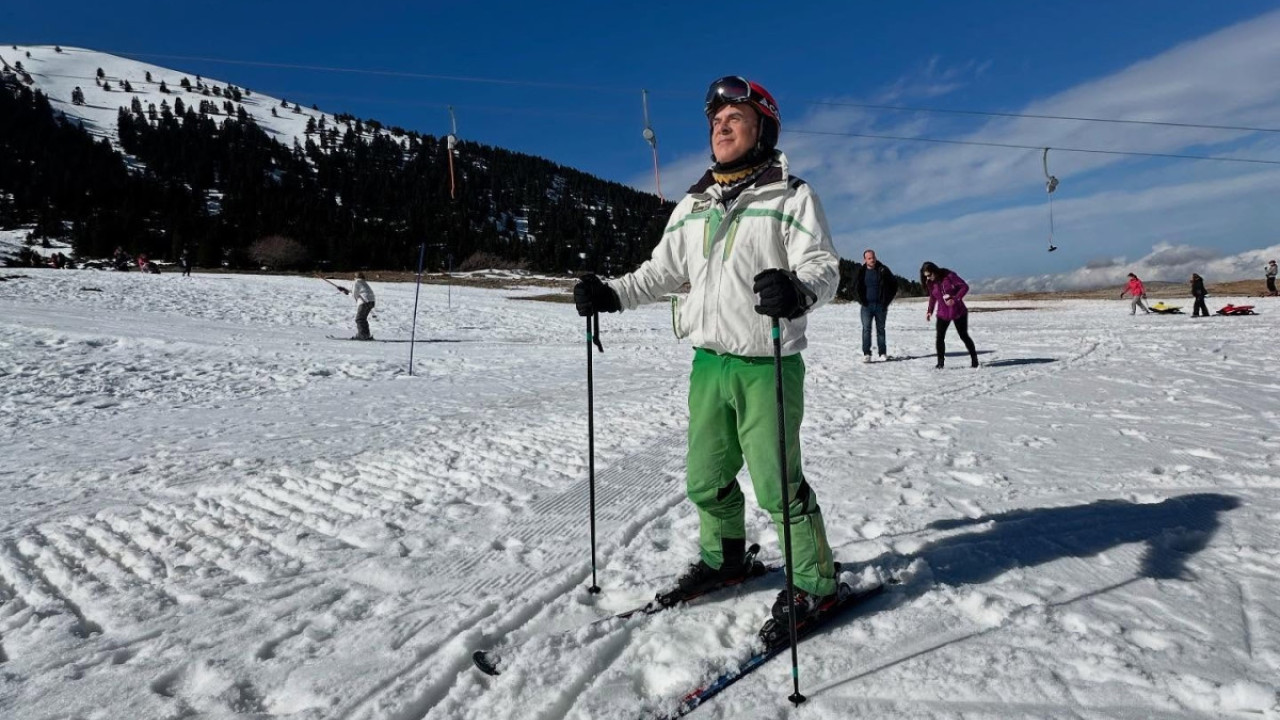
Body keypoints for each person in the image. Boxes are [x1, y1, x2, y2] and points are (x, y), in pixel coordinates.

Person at [573, 75, 841, 635]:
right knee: (706, 477)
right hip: (709, 363)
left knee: (777, 485)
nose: (721, 126)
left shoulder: (791, 195)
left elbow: (823, 267)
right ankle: (725, 559)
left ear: (762, 128)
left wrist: (797, 290)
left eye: (734, 118)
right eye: (715, 121)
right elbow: (663, 272)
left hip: (766, 360)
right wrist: (612, 295)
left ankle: (815, 583)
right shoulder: (694, 203)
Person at [921, 261, 978, 369]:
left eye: (929, 275)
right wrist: (930, 311)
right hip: (942, 314)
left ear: (935, 271)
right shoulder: (930, 283)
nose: (928, 278)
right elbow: (933, 298)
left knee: (963, 336)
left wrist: (955, 299)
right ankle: (940, 362)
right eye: (926, 276)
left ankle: (974, 359)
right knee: (940, 338)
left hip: (958, 311)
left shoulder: (949, 276)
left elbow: (964, 287)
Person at [849, 249, 898, 361]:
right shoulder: (861, 272)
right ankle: (867, 354)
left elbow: (894, 284)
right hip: (866, 306)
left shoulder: (883, 270)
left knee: (881, 330)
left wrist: (887, 301)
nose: (872, 260)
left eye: (873, 257)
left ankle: (882, 353)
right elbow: (853, 287)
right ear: (865, 260)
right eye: (869, 258)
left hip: (881, 306)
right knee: (866, 329)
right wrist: (860, 300)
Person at [343, 272, 376, 340]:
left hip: (364, 302)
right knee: (362, 319)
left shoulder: (356, 282)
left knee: (359, 319)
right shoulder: (363, 282)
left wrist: (347, 293)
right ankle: (366, 335)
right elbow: (358, 292)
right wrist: (347, 291)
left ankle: (362, 335)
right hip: (371, 301)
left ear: (356, 277)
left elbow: (355, 295)